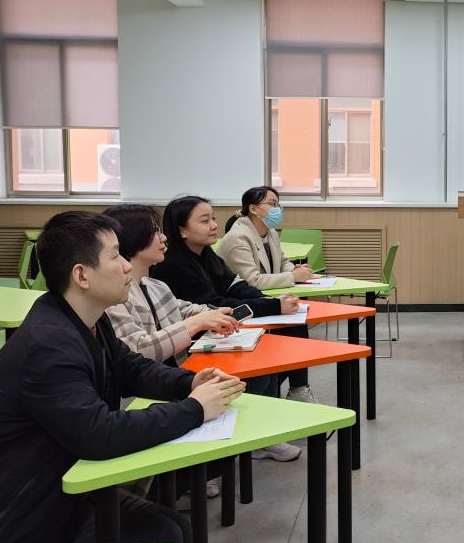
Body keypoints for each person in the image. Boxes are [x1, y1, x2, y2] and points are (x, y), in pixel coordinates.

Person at [0, 212, 244, 543]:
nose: (127, 265)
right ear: (82, 275)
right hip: (10, 517)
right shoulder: (49, 343)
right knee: (160, 541)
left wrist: (190, 382)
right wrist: (195, 408)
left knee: (173, 528)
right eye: (115, 256)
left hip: (54, 490)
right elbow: (101, 434)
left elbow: (131, 369)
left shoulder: (87, 318)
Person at [103, 203, 240, 500]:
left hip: (170, 381)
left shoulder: (153, 284)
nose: (164, 238)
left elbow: (182, 308)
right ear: (132, 239)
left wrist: (214, 314)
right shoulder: (114, 297)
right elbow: (139, 349)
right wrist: (195, 323)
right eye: (155, 231)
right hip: (141, 398)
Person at [152, 195, 302, 461]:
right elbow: (215, 304)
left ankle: (262, 432)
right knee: (257, 372)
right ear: (182, 230)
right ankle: (245, 436)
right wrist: (272, 306)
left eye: (213, 218)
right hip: (193, 343)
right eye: (204, 220)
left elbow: (237, 286)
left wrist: (268, 301)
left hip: (219, 331)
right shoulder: (173, 264)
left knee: (269, 365)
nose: (214, 225)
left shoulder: (206, 254)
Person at [218, 186, 317, 404]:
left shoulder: (269, 232)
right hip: (243, 305)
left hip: (264, 298)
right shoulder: (237, 238)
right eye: (272, 204)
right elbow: (252, 280)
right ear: (253, 208)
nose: (277, 209)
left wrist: (298, 271)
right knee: (292, 330)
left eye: (278, 204)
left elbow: (283, 262)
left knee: (297, 321)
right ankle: (296, 389)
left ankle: (298, 388)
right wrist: (292, 276)